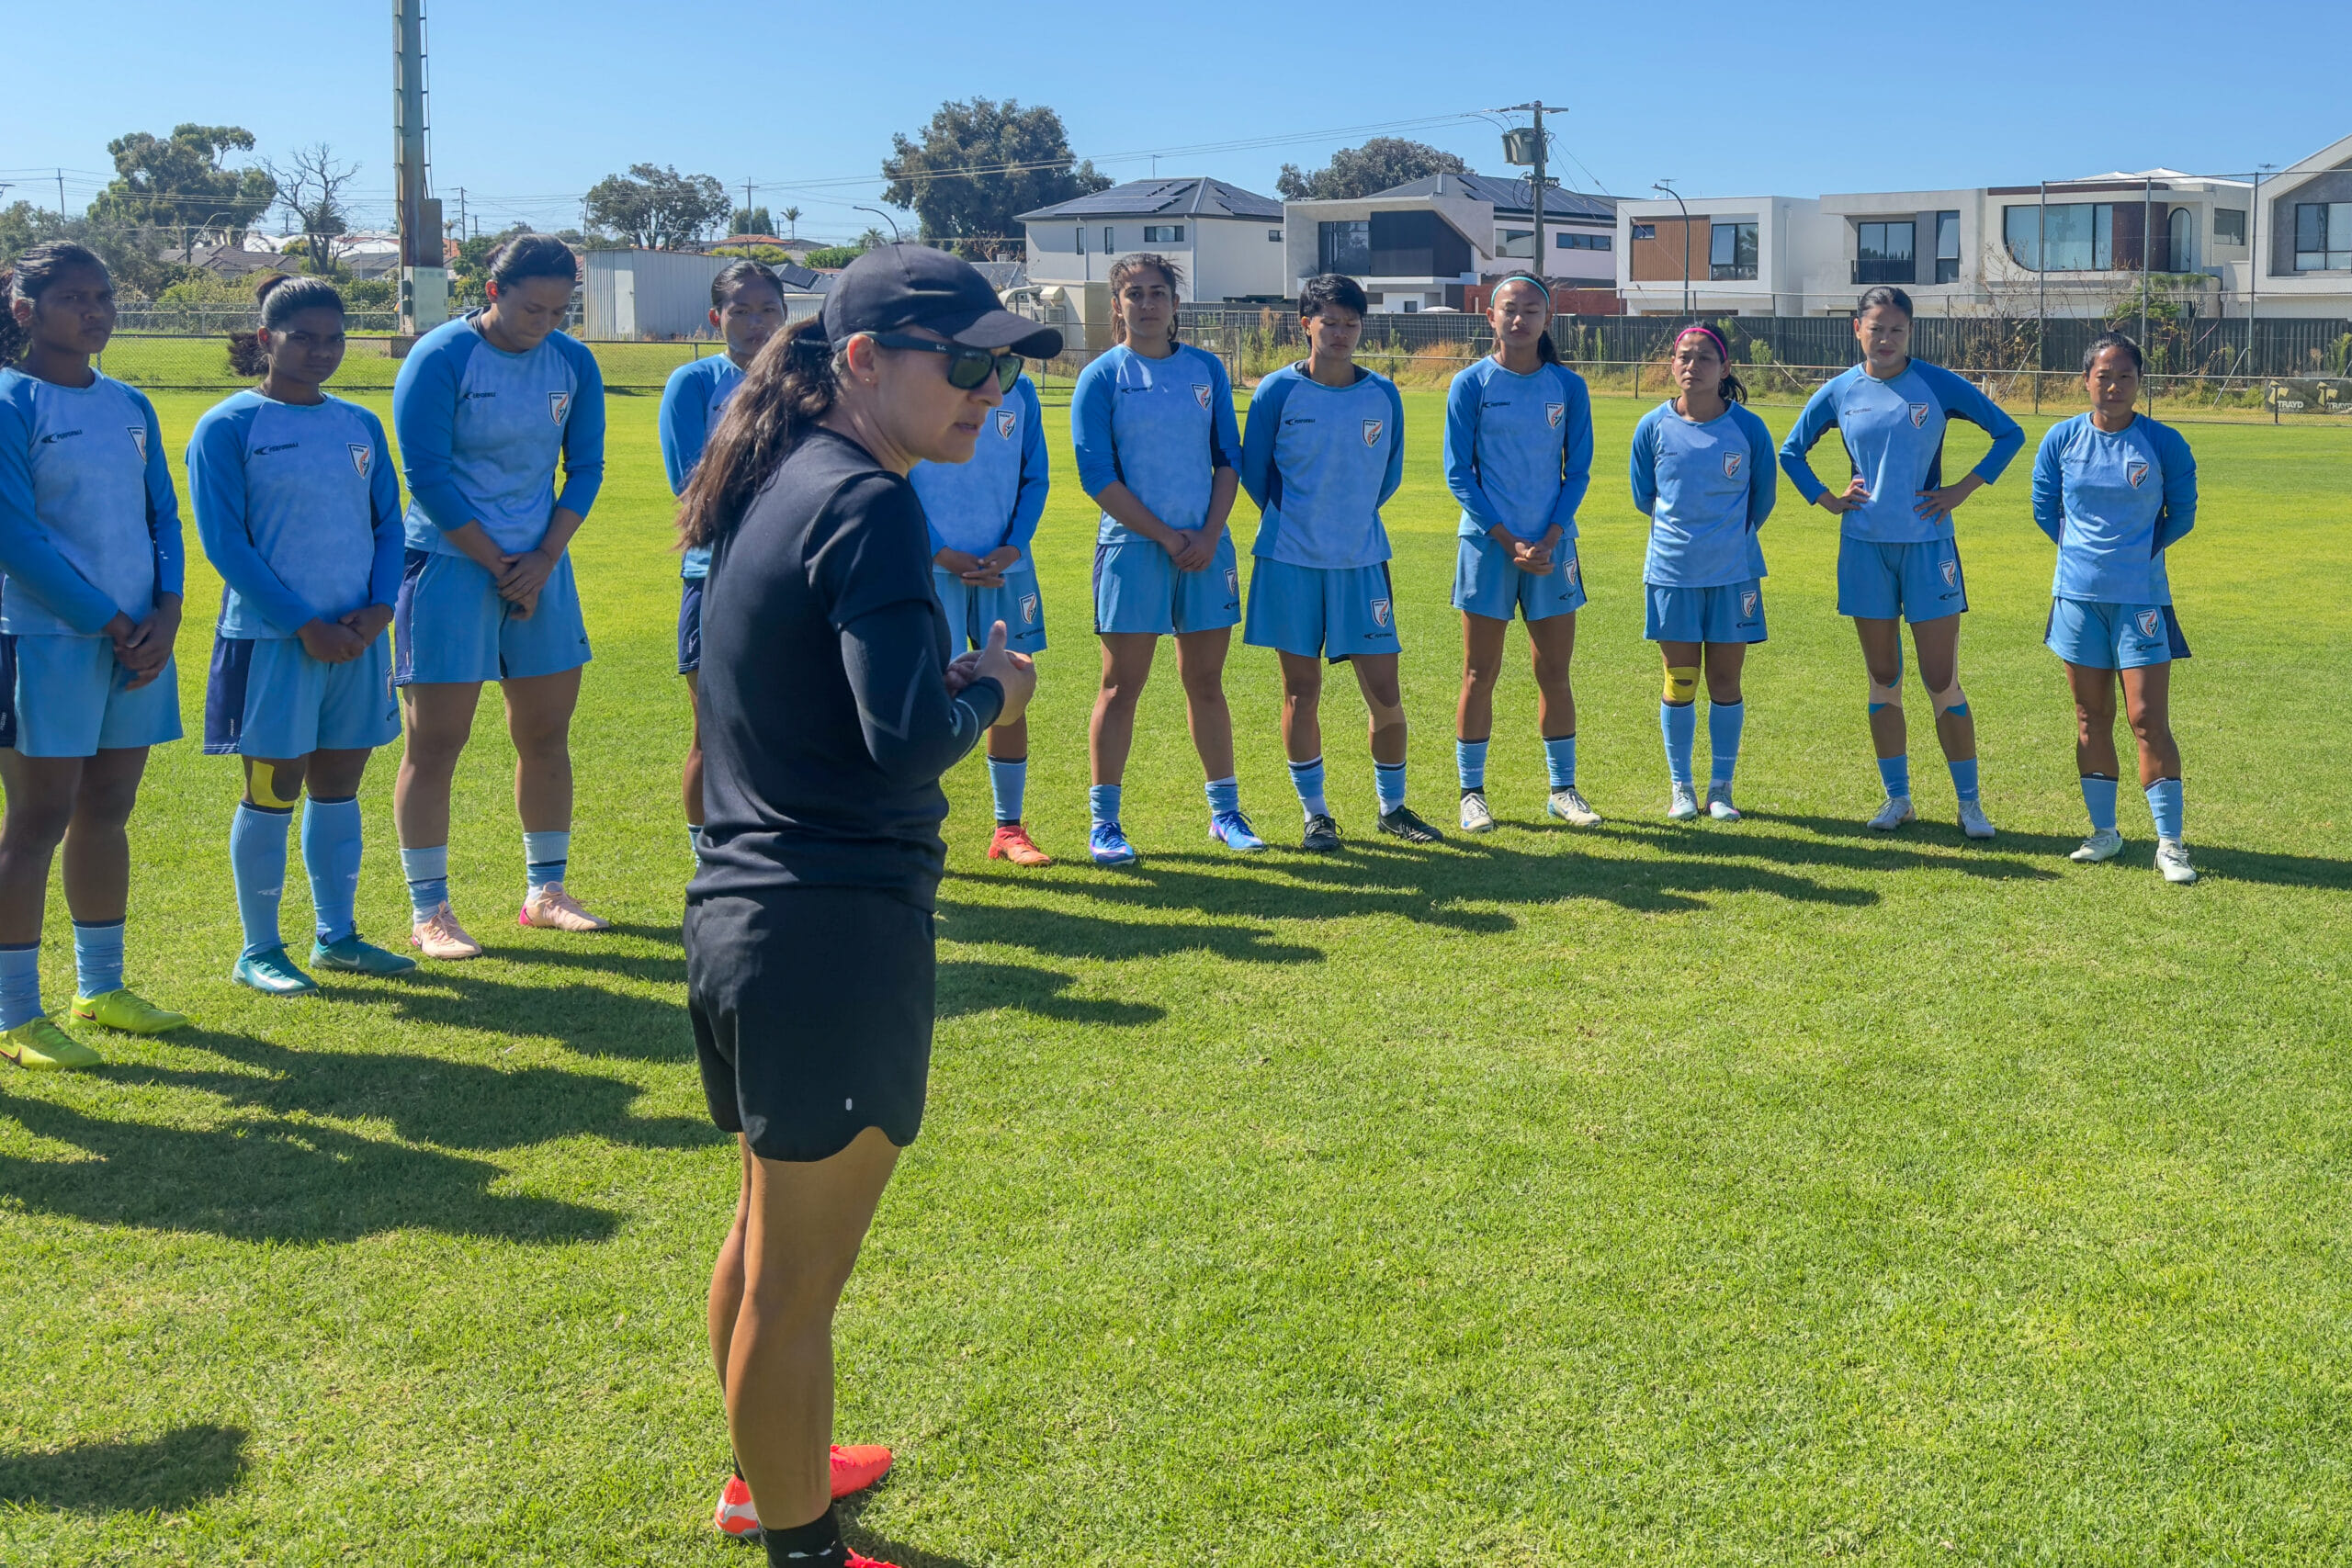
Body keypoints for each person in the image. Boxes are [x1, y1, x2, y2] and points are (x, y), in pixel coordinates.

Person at [677, 243, 1051, 1568]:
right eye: (965, 364)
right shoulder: (872, 500)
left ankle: (762, 1472)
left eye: (1001, 368)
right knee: (796, 1282)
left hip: (749, 912)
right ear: (858, 361)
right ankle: (801, 1542)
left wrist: (933, 682)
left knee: (764, 1233)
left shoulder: (784, 478)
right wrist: (991, 690)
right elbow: (903, 737)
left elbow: (819, 701)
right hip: (824, 927)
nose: (990, 392)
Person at [188, 274, 416, 994]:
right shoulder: (228, 426)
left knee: (339, 786)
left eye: (334, 338)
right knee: (271, 788)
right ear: (266, 340)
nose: (322, 352)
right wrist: (303, 623)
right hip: (272, 640)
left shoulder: (359, 423)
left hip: (357, 637)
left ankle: (337, 936)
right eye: (303, 337)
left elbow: (388, 522)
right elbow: (226, 543)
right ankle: (258, 949)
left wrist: (382, 606)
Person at [390, 233, 609, 958]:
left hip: (541, 568)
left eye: (558, 310)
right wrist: (496, 560)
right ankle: (431, 912)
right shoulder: (441, 356)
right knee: (437, 744)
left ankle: (545, 892)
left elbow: (585, 468)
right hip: (451, 566)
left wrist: (543, 557)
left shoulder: (574, 362)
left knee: (546, 733)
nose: (542, 322)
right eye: (529, 307)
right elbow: (425, 473)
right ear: (493, 292)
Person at [0, 243, 189, 1071]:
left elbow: (164, 519)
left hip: (140, 638)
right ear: (24, 310)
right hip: (45, 642)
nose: (96, 311)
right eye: (75, 297)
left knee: (107, 809)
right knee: (36, 819)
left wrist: (168, 611)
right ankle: (16, 1014)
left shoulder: (130, 404)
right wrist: (114, 622)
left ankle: (100, 987)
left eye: (104, 295)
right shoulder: (12, 402)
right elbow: (16, 540)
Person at [1779, 285, 2023, 838]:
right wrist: (1829, 499)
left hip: (1929, 548)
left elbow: (2008, 433)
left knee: (1942, 679)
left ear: (1910, 333)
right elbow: (1791, 451)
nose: (1885, 338)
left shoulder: (1935, 383)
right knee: (1883, 676)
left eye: (1896, 329)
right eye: (1876, 328)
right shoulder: (1840, 391)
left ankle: (1970, 805)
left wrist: (1959, 490)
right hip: (1864, 547)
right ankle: (1898, 800)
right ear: (1856, 330)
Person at [1070, 252, 1260, 865]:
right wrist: (1164, 534)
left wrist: (1207, 534)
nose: (1147, 304)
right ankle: (1105, 824)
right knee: (1121, 685)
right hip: (1132, 549)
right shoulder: (1101, 377)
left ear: (1176, 304)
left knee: (1206, 681)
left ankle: (1225, 812)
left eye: (1158, 293)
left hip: (1206, 549)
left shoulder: (1206, 369)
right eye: (1134, 294)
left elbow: (1228, 459)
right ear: (1116, 305)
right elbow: (1096, 475)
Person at [1240, 273, 1438, 849]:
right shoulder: (1277, 391)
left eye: (1352, 323)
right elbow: (1257, 474)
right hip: (1290, 562)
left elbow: (1388, 475)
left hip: (1361, 562)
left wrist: (1347, 523)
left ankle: (1393, 807)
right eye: (1330, 322)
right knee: (1301, 693)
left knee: (1385, 693)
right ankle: (1316, 814)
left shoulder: (1383, 393)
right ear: (1307, 324)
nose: (1342, 333)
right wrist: (1304, 524)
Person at [2031, 331, 2198, 885]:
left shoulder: (2164, 442)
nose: (2114, 385)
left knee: (2147, 717)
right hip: (2077, 598)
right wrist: (2082, 559)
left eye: (2125, 376)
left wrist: (2134, 559)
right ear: (2086, 380)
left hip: (2142, 600)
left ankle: (2170, 844)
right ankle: (2104, 833)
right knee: (2089, 717)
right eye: (2104, 375)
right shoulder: (2060, 439)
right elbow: (2043, 508)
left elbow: (2183, 514)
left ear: (2139, 383)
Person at [1442, 274, 1598, 833]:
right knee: (1479, 672)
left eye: (1531, 311)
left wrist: (1551, 538)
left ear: (1547, 320)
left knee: (1554, 672)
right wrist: (1509, 539)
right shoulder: (1471, 384)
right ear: (1490, 316)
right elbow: (1458, 474)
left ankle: (1563, 790)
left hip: (1554, 548)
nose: (1519, 320)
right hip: (1488, 546)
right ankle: (1471, 794)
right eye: (1510, 309)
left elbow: (1576, 471)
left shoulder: (1568, 387)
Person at [662, 260, 787, 860]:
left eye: (767, 310)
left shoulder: (810, 382)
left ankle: (777, 851)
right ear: (717, 318)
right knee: (712, 734)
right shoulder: (692, 385)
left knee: (788, 728)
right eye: (741, 310)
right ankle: (706, 862)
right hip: (714, 577)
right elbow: (693, 491)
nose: (756, 323)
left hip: (792, 578)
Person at [1629, 324, 1778, 821]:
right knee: (1681, 679)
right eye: (1684, 358)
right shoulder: (1652, 426)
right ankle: (1681, 788)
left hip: (1734, 575)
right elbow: (1643, 496)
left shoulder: (1750, 428)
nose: (1693, 366)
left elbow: (1762, 500)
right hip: (1672, 573)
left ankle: (1721, 788)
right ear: (1672, 366)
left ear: (1725, 368)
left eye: (1704, 359)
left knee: (1726, 682)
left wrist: (1724, 541)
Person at [909, 354, 1052, 864]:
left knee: (1010, 687)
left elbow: (1035, 478)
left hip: (1004, 566)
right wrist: (940, 550)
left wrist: (1012, 547)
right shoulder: (924, 383)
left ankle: (1009, 830)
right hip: (930, 565)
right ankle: (914, 827)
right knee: (919, 694)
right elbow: (895, 474)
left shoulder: (1024, 394)